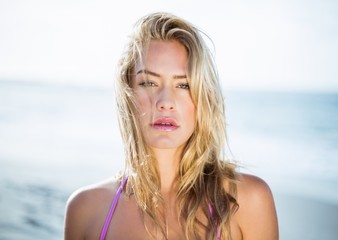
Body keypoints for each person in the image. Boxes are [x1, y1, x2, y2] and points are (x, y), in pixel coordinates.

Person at [64, 12, 278, 240]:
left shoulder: (248, 202)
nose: (165, 102)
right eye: (148, 82)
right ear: (128, 94)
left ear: (203, 97)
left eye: (183, 85)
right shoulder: (86, 210)